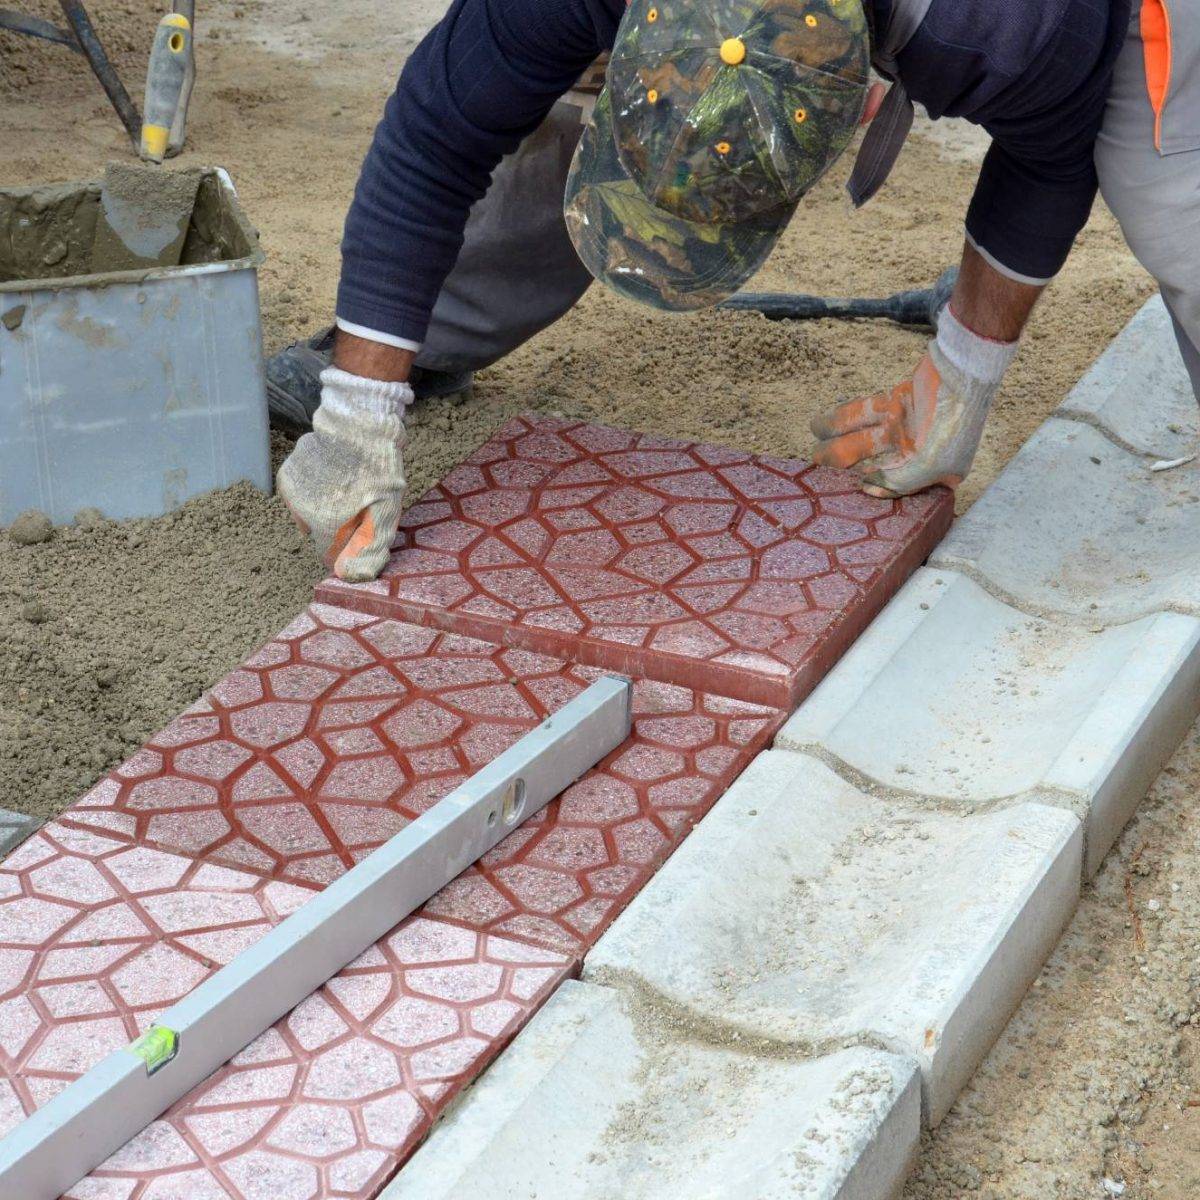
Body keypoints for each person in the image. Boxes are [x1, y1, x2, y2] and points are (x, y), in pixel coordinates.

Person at [274, 0, 1197, 583]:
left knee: (1178, 222)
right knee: (544, 104)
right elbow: (437, 134)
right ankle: (418, 342)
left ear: (860, 104)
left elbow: (1049, 153)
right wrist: (356, 409)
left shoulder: (991, 25)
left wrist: (965, 370)